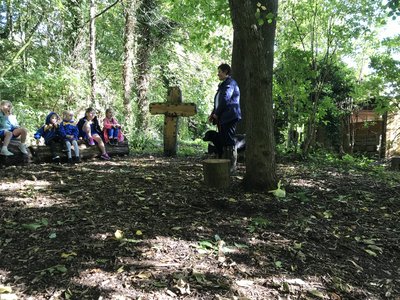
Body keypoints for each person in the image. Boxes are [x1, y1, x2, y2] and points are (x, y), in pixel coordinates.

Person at [208, 63, 241, 173]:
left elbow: (225, 99)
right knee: (224, 140)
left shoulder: (230, 83)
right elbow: (219, 101)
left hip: (229, 116)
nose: (218, 74)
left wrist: (217, 114)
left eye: (220, 71)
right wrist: (213, 113)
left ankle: (231, 167)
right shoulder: (224, 84)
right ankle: (225, 165)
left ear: (226, 72)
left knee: (228, 140)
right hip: (224, 116)